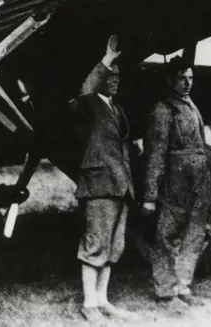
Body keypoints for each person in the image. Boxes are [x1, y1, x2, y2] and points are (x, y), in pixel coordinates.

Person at [67, 34, 137, 322]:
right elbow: (85, 90)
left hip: (120, 186)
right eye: (110, 76)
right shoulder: (89, 105)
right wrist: (107, 60)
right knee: (95, 245)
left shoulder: (116, 109)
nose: (114, 80)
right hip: (99, 185)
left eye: (118, 76)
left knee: (112, 248)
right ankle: (89, 305)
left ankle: (102, 300)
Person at [143, 57, 210, 313]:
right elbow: (155, 155)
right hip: (175, 180)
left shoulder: (190, 106)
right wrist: (149, 196)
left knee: (195, 233)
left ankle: (183, 286)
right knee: (166, 234)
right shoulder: (163, 110)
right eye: (182, 78)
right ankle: (165, 290)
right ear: (169, 80)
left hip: (197, 180)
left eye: (191, 78)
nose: (187, 83)